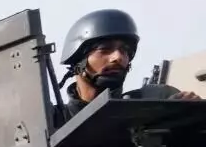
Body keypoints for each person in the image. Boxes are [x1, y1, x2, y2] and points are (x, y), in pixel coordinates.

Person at [58, 9, 198, 121]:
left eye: (125, 50)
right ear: (78, 60)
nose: (118, 57)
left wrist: (184, 113)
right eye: (105, 49)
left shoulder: (156, 100)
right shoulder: (54, 122)